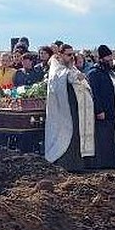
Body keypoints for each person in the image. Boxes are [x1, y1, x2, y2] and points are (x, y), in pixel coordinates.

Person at [44, 44, 95, 172]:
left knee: (75, 135)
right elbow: (59, 79)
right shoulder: (56, 68)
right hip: (63, 111)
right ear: (60, 55)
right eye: (68, 55)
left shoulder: (71, 68)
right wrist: (72, 77)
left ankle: (77, 165)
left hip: (75, 109)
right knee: (65, 136)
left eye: (72, 54)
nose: (71, 57)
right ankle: (65, 164)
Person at [84, 45, 115, 170]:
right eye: (108, 57)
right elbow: (94, 94)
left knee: (111, 138)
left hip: (111, 111)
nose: (110, 59)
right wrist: (99, 110)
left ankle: (113, 162)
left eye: (111, 57)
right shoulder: (94, 73)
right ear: (101, 58)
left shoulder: (109, 73)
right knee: (102, 139)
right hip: (102, 113)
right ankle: (103, 164)